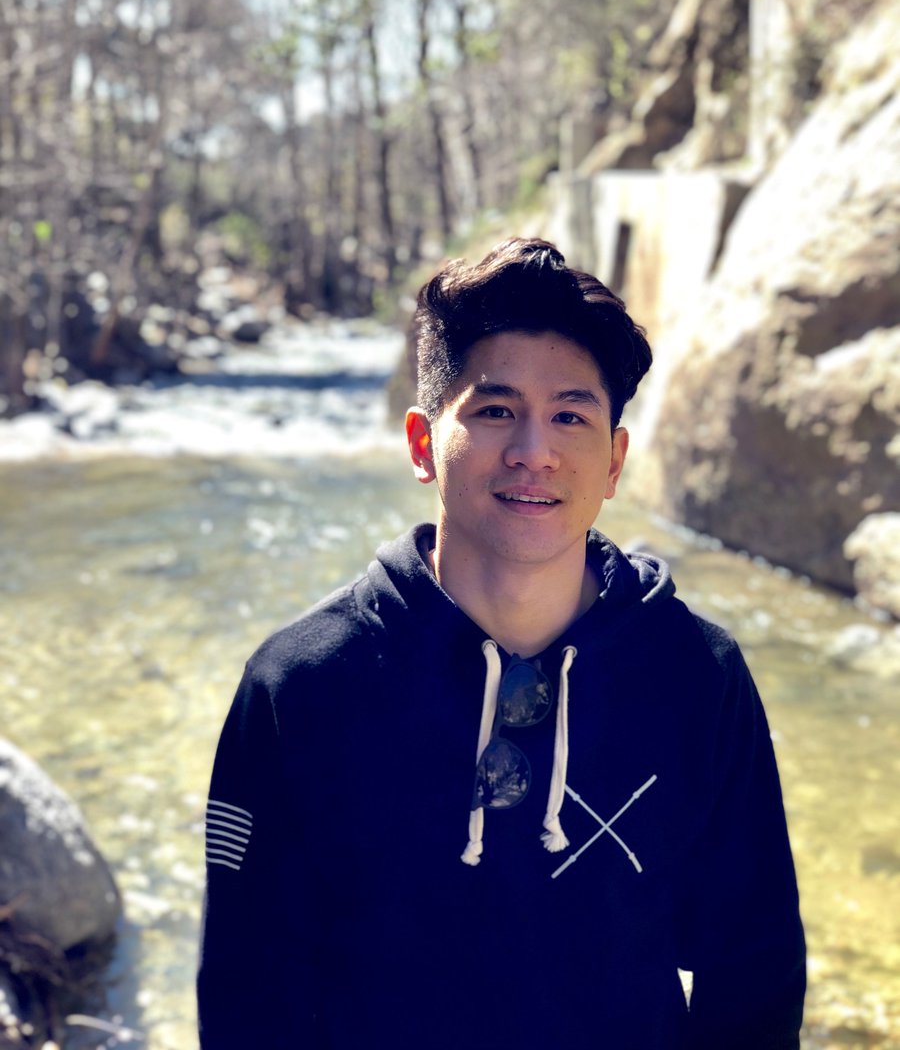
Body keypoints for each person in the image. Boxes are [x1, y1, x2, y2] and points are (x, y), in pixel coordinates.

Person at [197, 237, 806, 1048]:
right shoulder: (301, 684)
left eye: (570, 416)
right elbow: (246, 993)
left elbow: (754, 974)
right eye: (495, 411)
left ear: (615, 461)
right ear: (422, 444)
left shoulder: (698, 676)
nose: (534, 452)